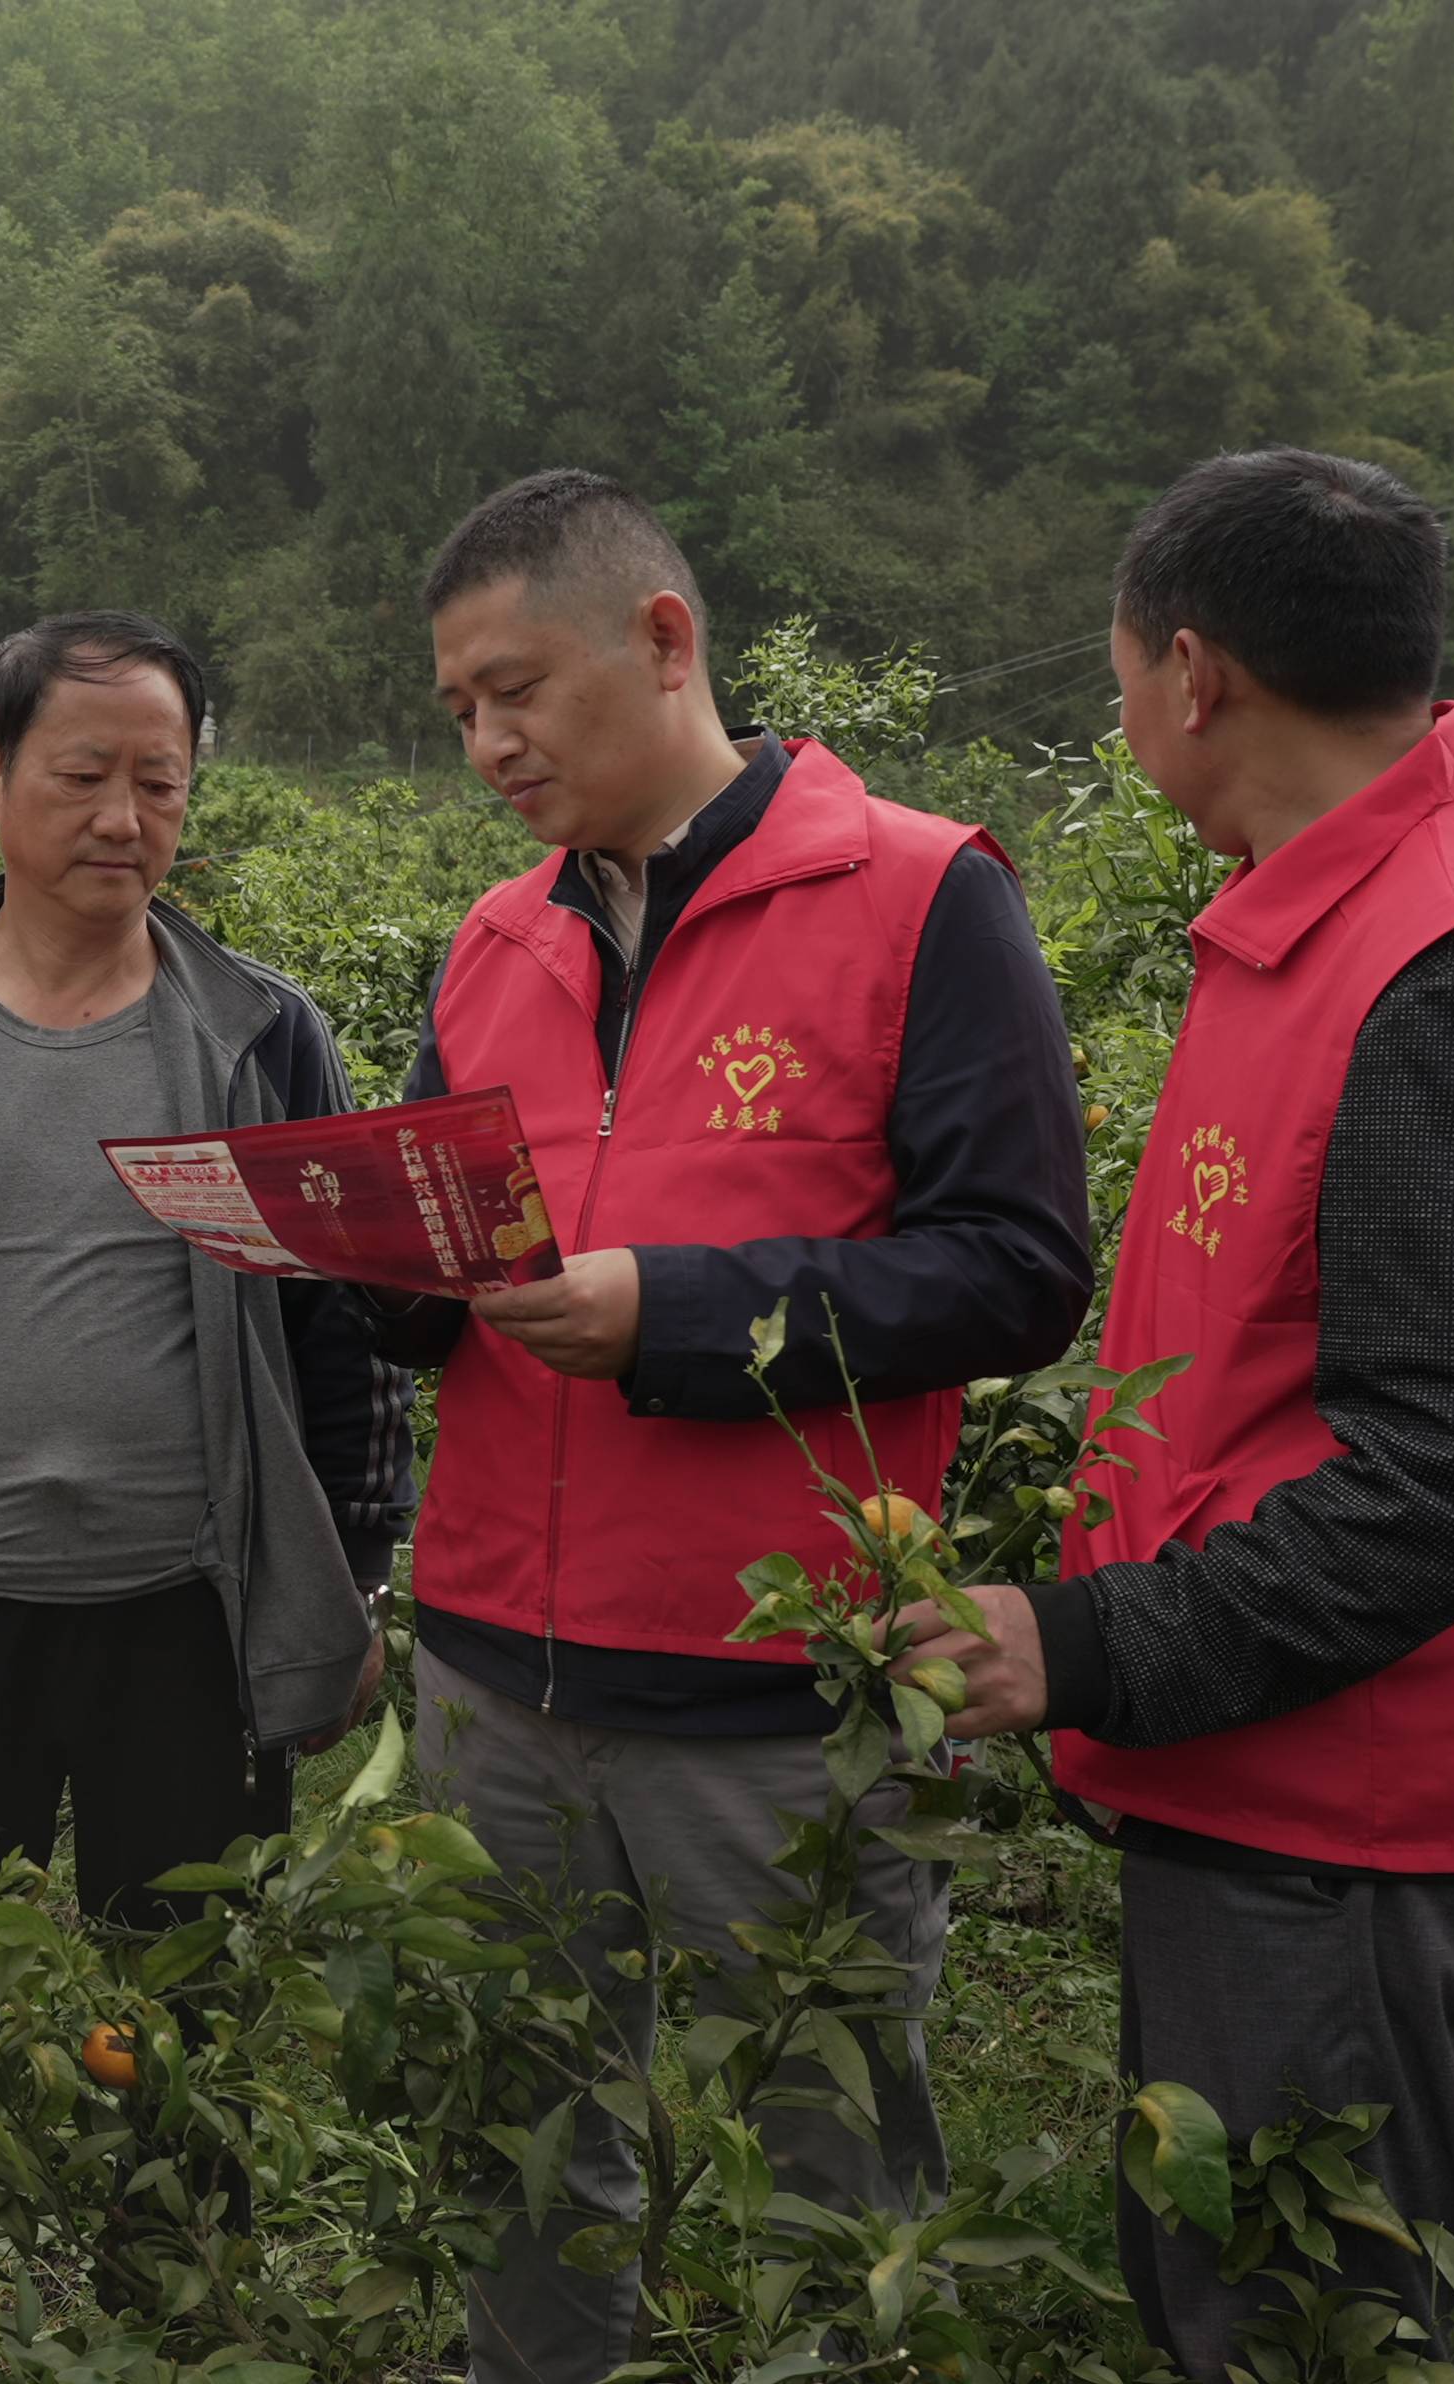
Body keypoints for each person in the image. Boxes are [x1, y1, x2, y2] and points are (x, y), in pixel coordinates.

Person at [902, 449, 1454, 2373]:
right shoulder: (1319, 915)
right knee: (1232, 2283)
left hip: (1361, 1820)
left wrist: (1086, 1639)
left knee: (1316, 2317)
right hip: (1270, 1776)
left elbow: (1452, 1467)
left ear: (1192, 672)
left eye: (1121, 668)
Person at [388, 470, 1095, 2380]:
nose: (489, 745)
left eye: (516, 690)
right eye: (458, 710)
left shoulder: (920, 894)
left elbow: (1018, 1273)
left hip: (772, 1688)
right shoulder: (492, 941)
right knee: (526, 2149)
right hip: (494, 1673)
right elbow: (450, 1242)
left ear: (666, 640)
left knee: (828, 2171)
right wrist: (360, 1262)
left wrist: (675, 1314)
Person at [0, 611, 411, 2156]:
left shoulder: (259, 1033)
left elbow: (339, 1325)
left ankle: (164, 2298)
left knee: (181, 2019)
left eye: (161, 784)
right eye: (85, 775)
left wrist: (353, 1577)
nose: (125, 819)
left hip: (190, 1614)